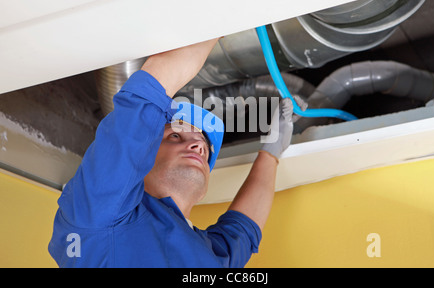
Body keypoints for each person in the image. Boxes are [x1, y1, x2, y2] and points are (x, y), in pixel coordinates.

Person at [48, 37, 297, 267]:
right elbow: (244, 229)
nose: (199, 146)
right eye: (178, 136)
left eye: (174, 136)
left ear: (141, 156)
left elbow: (148, 93)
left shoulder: (102, 211)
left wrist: (220, 20)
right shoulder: (210, 258)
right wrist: (271, 153)